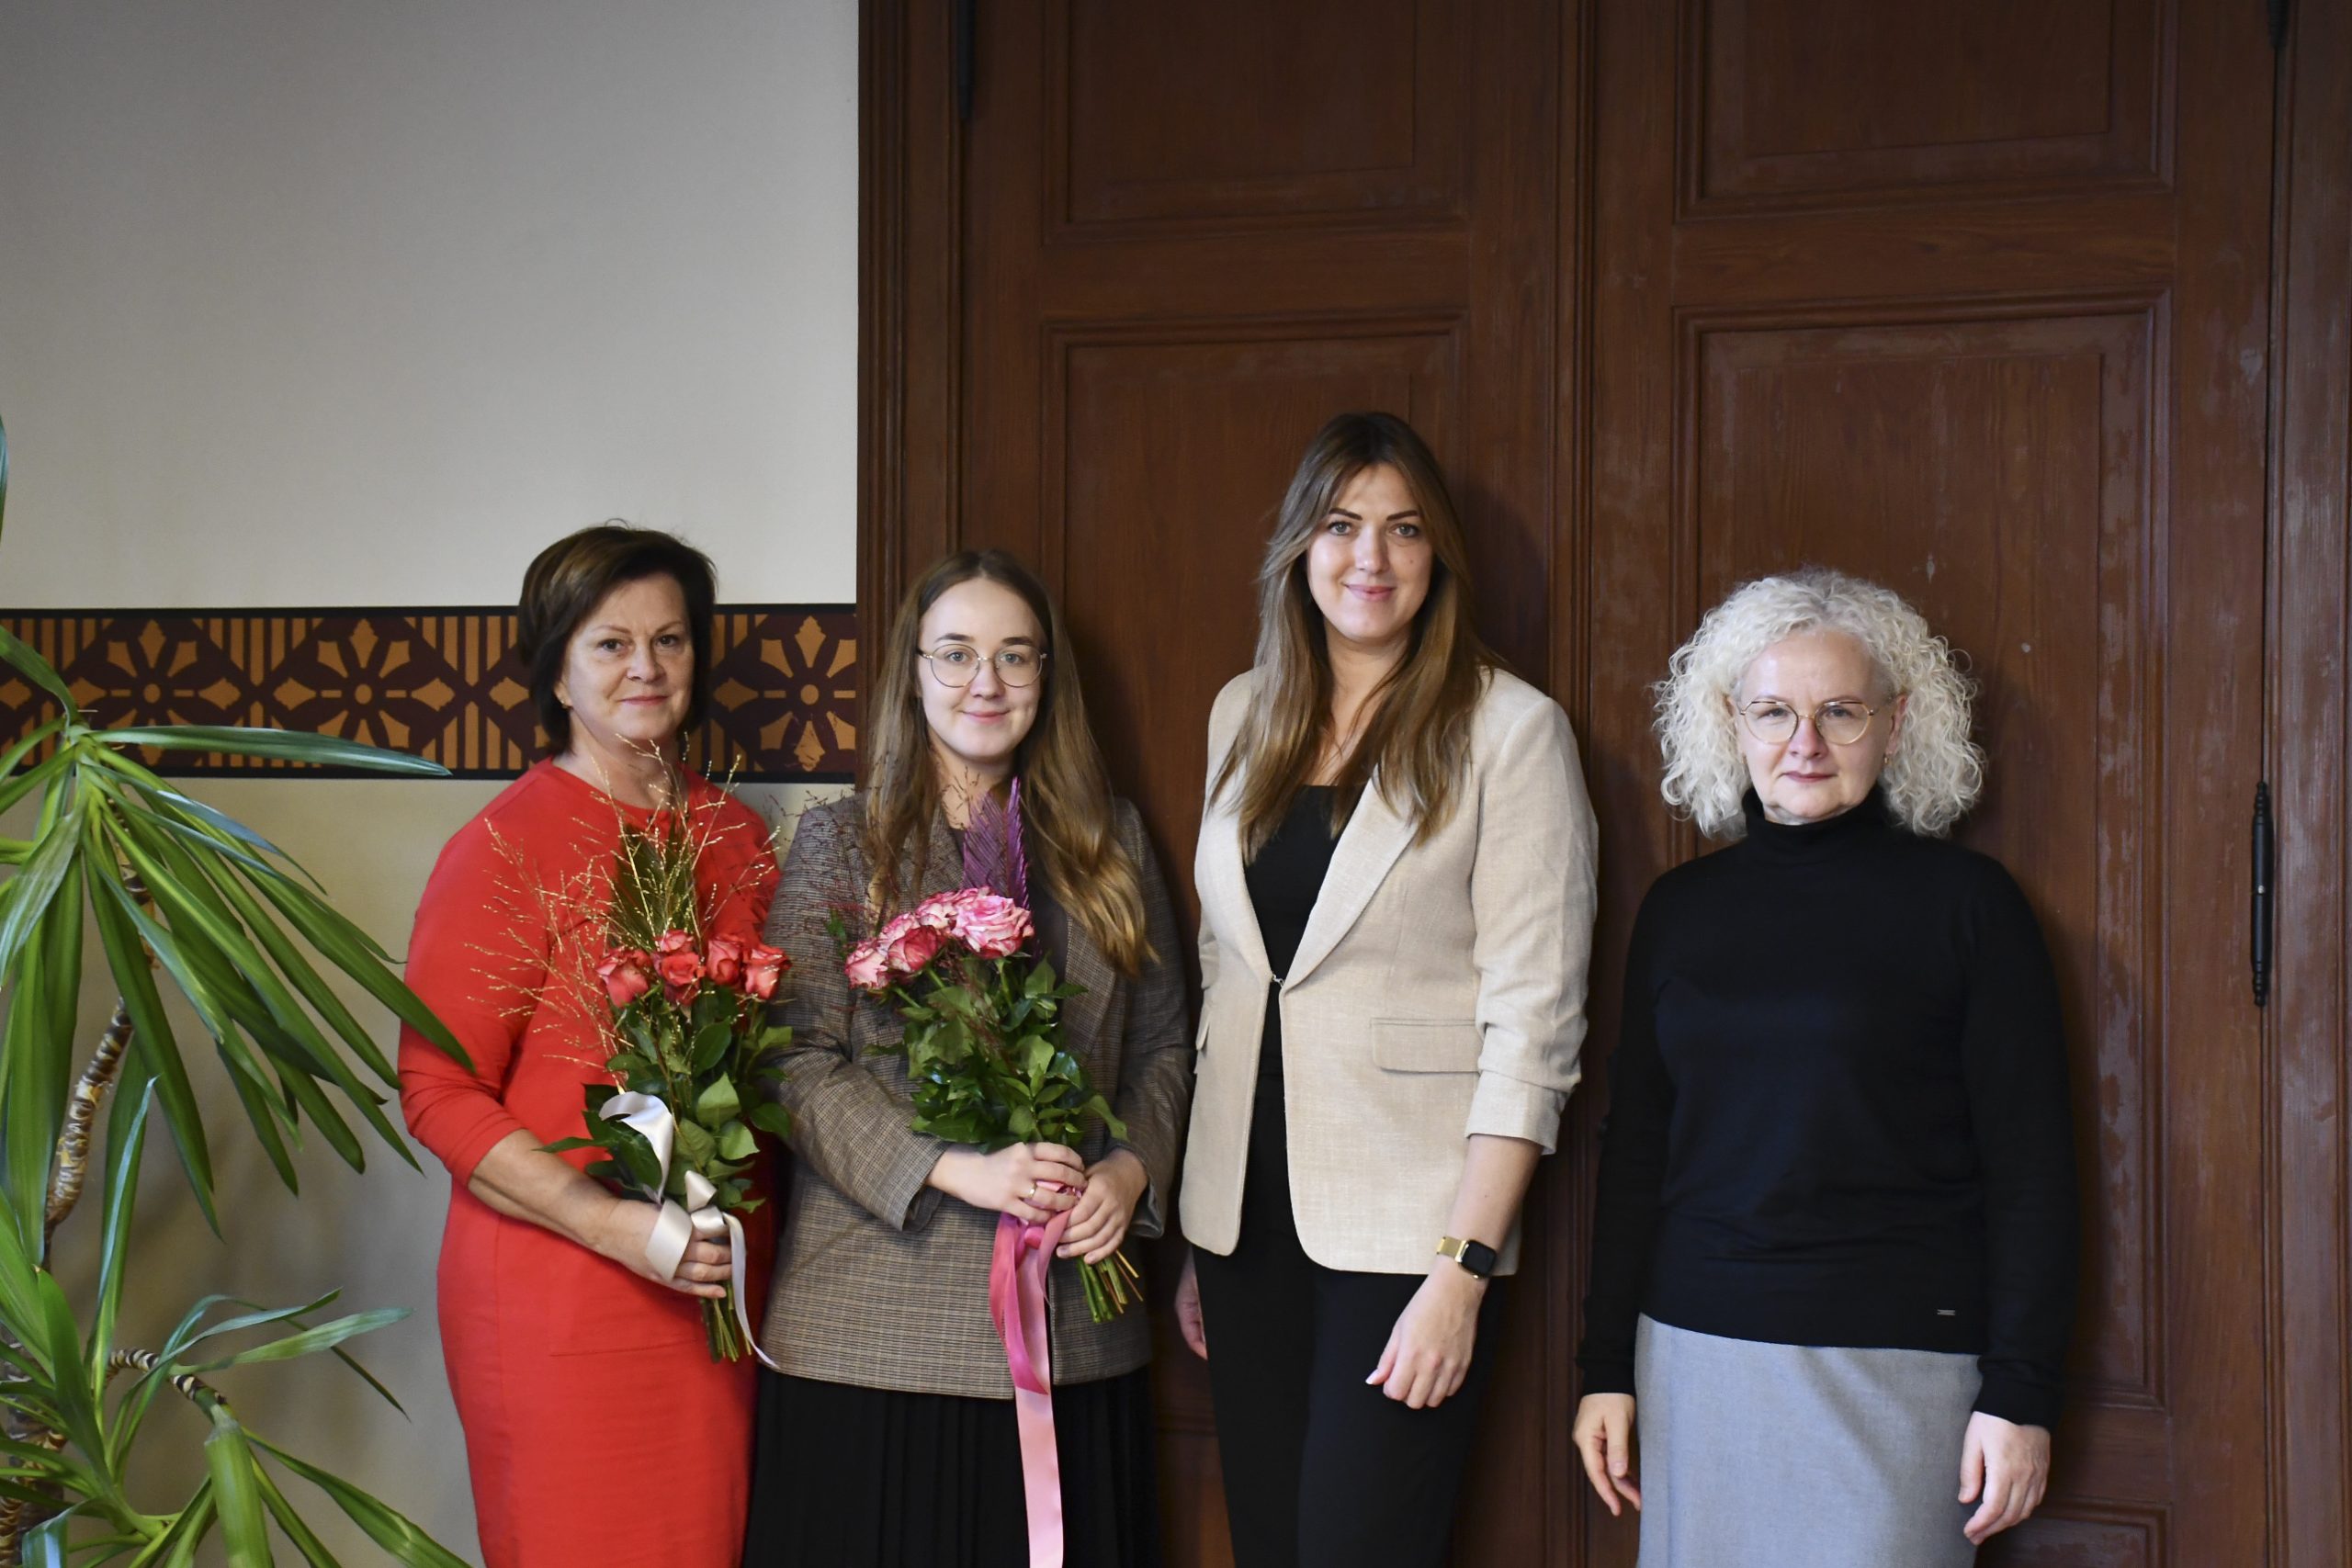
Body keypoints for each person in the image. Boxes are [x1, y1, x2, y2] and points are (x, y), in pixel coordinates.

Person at [1572, 567, 2079, 1566]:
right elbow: (1635, 1155)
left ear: (1896, 724)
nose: (1804, 742)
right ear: (1731, 723)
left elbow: (2032, 1168)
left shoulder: (1970, 907)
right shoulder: (1679, 912)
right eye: (1773, 711)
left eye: (1840, 712)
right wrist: (1604, 1367)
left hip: (1900, 1362)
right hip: (1694, 1354)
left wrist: (2021, 1391)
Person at [1172, 411, 1599, 1567]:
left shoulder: (1511, 732)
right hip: (1241, 1226)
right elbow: (1224, 971)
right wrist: (1201, 1226)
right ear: (1299, 548)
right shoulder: (1240, 711)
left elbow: (1535, 1027)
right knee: (1266, 1545)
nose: (1370, 557)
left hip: (1409, 1241)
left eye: (1404, 529)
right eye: (1341, 525)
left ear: (1438, 553)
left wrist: (1462, 1272)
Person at [741, 548, 1191, 1568]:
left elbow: (1165, 1044)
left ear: (1045, 676)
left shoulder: (1112, 842)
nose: (986, 681)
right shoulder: (841, 843)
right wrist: (954, 1168)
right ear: (913, 673)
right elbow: (793, 1060)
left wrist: (1130, 1170)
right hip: (875, 1331)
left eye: (1014, 655)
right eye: (956, 654)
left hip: (1076, 1331)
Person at [397, 525, 778, 1567]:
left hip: (718, 1286)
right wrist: (614, 1228)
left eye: (669, 640)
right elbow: (437, 1089)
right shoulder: (502, 846)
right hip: (565, 1289)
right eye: (611, 644)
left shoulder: (738, 835)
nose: (645, 667)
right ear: (557, 673)